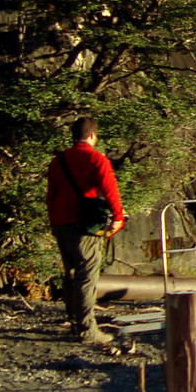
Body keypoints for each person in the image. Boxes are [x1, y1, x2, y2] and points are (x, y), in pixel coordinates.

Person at [46, 117, 127, 344]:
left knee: (70, 274)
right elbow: (110, 190)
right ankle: (87, 329)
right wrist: (118, 218)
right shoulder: (96, 159)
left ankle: (73, 321)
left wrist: (53, 222)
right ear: (92, 135)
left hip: (61, 223)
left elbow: (50, 194)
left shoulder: (58, 160)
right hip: (85, 225)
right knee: (87, 275)